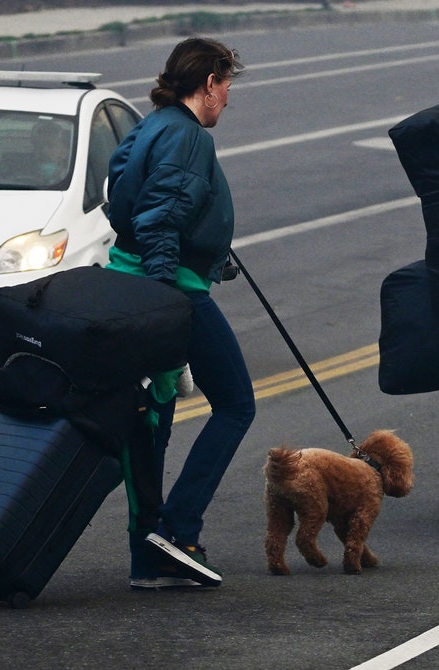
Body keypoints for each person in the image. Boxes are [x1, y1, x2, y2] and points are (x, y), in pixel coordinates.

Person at [105, 37, 254, 588]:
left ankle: (149, 559)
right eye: (227, 84)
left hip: (133, 277)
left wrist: (209, 250)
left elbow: (122, 193)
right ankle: (178, 531)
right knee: (237, 403)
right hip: (170, 291)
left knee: (152, 422)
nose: (228, 97)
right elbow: (160, 218)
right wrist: (169, 295)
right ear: (210, 82)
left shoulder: (153, 124)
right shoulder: (189, 137)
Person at [30, 120, 71, 185]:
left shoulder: (72, 174)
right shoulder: (42, 168)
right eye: (41, 145)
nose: (44, 150)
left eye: (51, 146)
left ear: (65, 151)